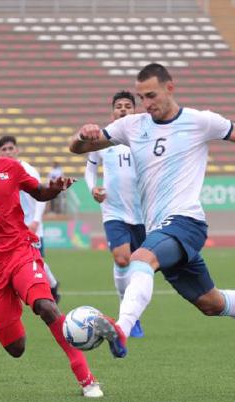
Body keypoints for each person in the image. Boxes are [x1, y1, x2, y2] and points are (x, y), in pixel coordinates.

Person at [69, 63, 235, 360]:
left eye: (151, 95)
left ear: (170, 88)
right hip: (159, 229)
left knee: (139, 260)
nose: (146, 104)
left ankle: (122, 329)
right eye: (141, 97)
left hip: (186, 222)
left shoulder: (200, 121)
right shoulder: (131, 126)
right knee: (211, 303)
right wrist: (83, 135)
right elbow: (78, 149)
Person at [0, 113, 102, 398]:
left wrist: (55, 188)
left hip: (18, 251)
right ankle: (1, 305)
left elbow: (39, 193)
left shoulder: (10, 168)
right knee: (16, 348)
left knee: (46, 306)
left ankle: (87, 379)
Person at [84, 90, 146, 338]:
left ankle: (133, 310)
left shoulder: (142, 137)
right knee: (122, 259)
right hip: (114, 210)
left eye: (127, 106)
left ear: (135, 111)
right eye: (119, 106)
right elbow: (90, 170)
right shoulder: (102, 140)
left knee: (141, 265)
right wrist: (93, 188)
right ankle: (128, 314)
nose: (123, 109)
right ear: (113, 112)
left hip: (143, 212)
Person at [0, 135, 62, 303]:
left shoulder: (29, 170)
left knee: (37, 261)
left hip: (31, 225)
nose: (8, 152)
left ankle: (51, 286)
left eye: (11, 148)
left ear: (17, 150)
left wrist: (36, 220)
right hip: (10, 228)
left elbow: (41, 196)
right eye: (4, 149)